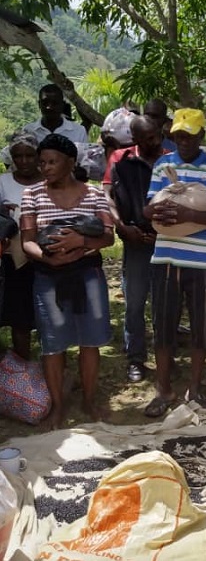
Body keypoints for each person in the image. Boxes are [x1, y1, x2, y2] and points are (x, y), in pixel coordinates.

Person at [20, 134, 115, 429]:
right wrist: (47, 259)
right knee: (53, 343)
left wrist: (81, 240)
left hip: (87, 274)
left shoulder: (95, 194)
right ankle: (58, 406)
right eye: (43, 162)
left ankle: (89, 399)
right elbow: (27, 241)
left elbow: (108, 236)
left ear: (70, 162)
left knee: (90, 340)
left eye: (52, 161)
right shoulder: (32, 194)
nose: (45, 167)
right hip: (49, 276)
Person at [142, 108, 206, 417]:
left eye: (190, 136)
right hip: (166, 258)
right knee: (163, 326)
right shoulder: (163, 165)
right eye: (179, 136)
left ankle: (194, 389)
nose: (184, 142)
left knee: (201, 329)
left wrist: (189, 215)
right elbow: (148, 208)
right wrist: (155, 213)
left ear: (201, 136)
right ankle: (163, 389)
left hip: (204, 261)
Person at [103, 116, 169, 383]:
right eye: (149, 138)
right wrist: (121, 226)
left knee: (164, 305)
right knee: (134, 303)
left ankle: (166, 357)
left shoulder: (169, 160)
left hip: (166, 241)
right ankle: (136, 359)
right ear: (136, 139)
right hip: (134, 239)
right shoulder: (120, 158)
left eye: (157, 135)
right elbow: (107, 195)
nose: (156, 141)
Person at [0, 132, 43, 359]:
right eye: (18, 156)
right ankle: (23, 371)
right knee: (20, 318)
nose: (24, 161)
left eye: (30, 155)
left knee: (48, 315)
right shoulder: (3, 182)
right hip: (14, 260)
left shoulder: (50, 179)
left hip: (47, 256)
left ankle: (53, 367)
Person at [22, 84, 89, 145]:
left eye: (55, 103)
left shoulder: (79, 131)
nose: (49, 107)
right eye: (45, 103)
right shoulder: (28, 131)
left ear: (62, 105)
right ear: (39, 104)